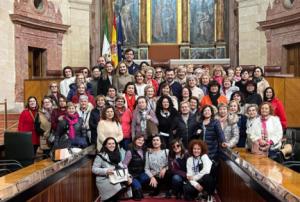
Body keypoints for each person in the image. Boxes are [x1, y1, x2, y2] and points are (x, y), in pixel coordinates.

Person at [92, 137, 131, 202]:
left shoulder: (117, 154)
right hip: (105, 179)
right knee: (118, 187)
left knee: (128, 182)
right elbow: (94, 169)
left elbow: (122, 167)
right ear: (105, 145)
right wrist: (106, 171)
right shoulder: (100, 156)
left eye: (113, 143)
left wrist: (128, 176)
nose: (111, 145)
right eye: (109, 144)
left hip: (116, 177)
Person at [122, 135, 149, 200]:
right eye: (139, 139)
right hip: (132, 174)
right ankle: (136, 187)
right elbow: (124, 165)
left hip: (140, 173)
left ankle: (136, 186)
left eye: (142, 140)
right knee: (138, 197)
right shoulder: (130, 151)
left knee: (147, 178)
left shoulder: (144, 150)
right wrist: (128, 176)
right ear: (135, 141)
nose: (141, 141)